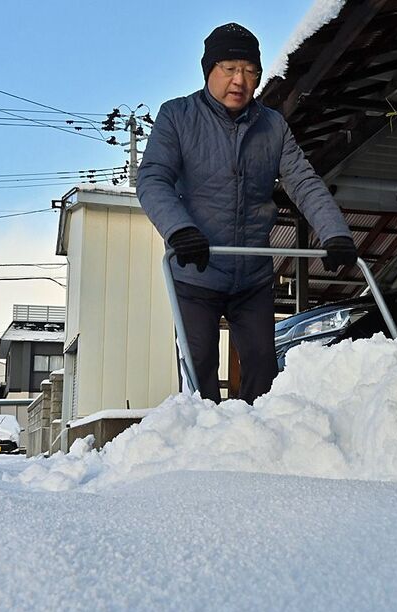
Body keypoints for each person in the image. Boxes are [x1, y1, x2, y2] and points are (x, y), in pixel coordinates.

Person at [137, 22, 357, 405]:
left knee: (262, 367)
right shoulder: (177, 116)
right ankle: (200, 447)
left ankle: (256, 450)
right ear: (209, 69)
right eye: (230, 68)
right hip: (196, 270)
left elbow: (303, 180)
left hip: (252, 275)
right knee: (198, 366)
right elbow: (153, 179)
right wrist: (179, 230)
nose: (240, 80)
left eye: (251, 72)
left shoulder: (271, 126)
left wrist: (335, 232)